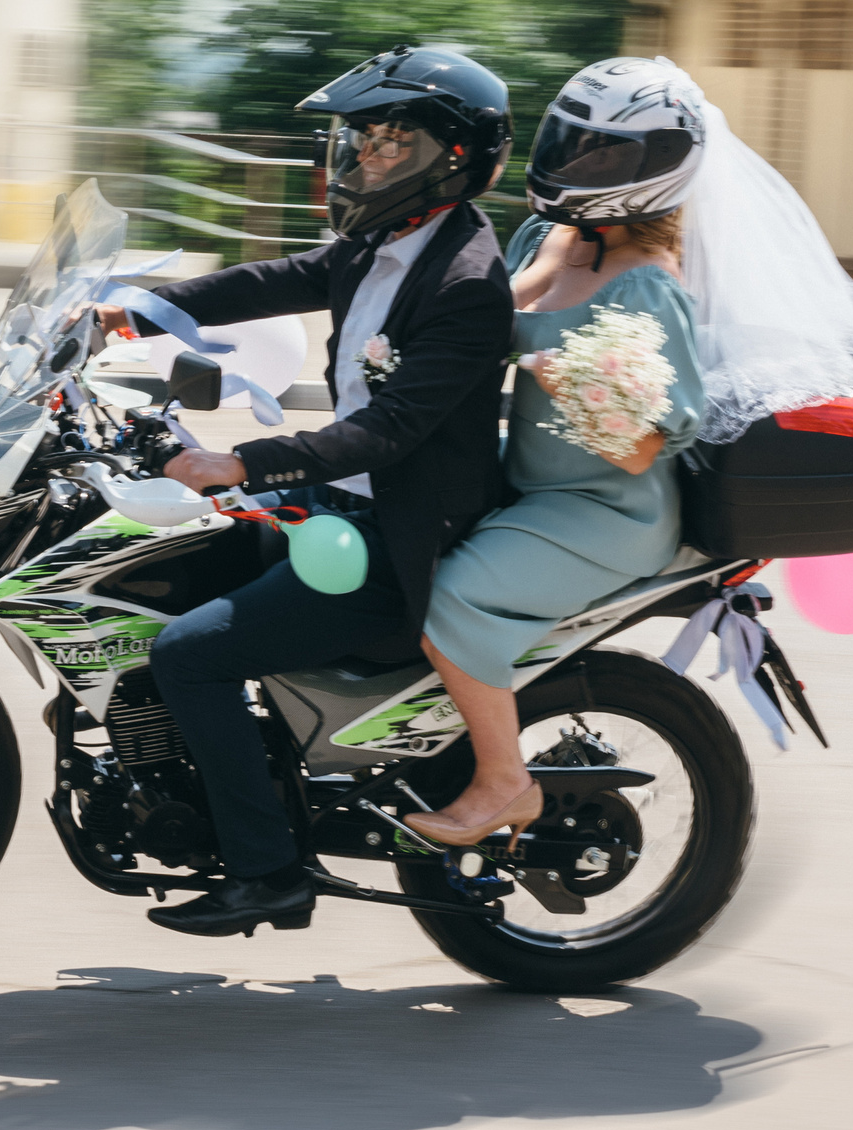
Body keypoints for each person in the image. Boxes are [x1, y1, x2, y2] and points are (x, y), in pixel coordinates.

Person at [108, 46, 518, 938]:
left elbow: (387, 431)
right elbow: (273, 279)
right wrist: (139, 307)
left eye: (386, 143)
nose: (362, 159)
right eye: (359, 141)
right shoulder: (388, 240)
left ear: (449, 158)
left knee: (189, 653)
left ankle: (269, 870)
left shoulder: (465, 283)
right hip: (342, 510)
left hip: (396, 535)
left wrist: (244, 464)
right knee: (167, 571)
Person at [404, 57, 710, 847]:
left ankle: (504, 783)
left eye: (602, 153)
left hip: (604, 508)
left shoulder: (648, 286)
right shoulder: (554, 237)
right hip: (528, 483)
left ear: (655, 169)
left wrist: (555, 368)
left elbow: (641, 447)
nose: (575, 162)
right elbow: (486, 320)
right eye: (570, 142)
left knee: (451, 601)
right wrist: (542, 268)